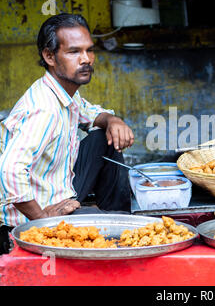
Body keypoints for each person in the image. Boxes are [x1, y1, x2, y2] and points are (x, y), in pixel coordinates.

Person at [0, 13, 135, 254]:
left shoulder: (64, 92)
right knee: (95, 221)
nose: (86, 59)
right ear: (49, 56)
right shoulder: (43, 110)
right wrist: (41, 220)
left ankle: (118, 220)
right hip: (27, 218)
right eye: (74, 52)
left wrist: (112, 120)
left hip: (61, 190)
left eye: (89, 50)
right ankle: (116, 232)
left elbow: (88, 113)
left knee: (104, 136)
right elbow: (10, 171)